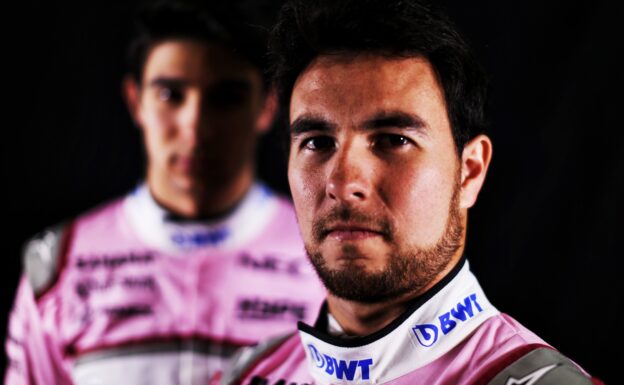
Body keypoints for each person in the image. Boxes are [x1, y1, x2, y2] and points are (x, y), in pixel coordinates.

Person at [219, 0, 602, 384]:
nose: (343, 183)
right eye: (318, 143)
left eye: (393, 140)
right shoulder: (250, 372)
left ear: (469, 172)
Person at [4, 1, 325, 384]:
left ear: (268, 105)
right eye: (171, 95)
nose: (196, 127)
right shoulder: (59, 263)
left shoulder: (326, 257)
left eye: (226, 97)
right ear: (135, 100)